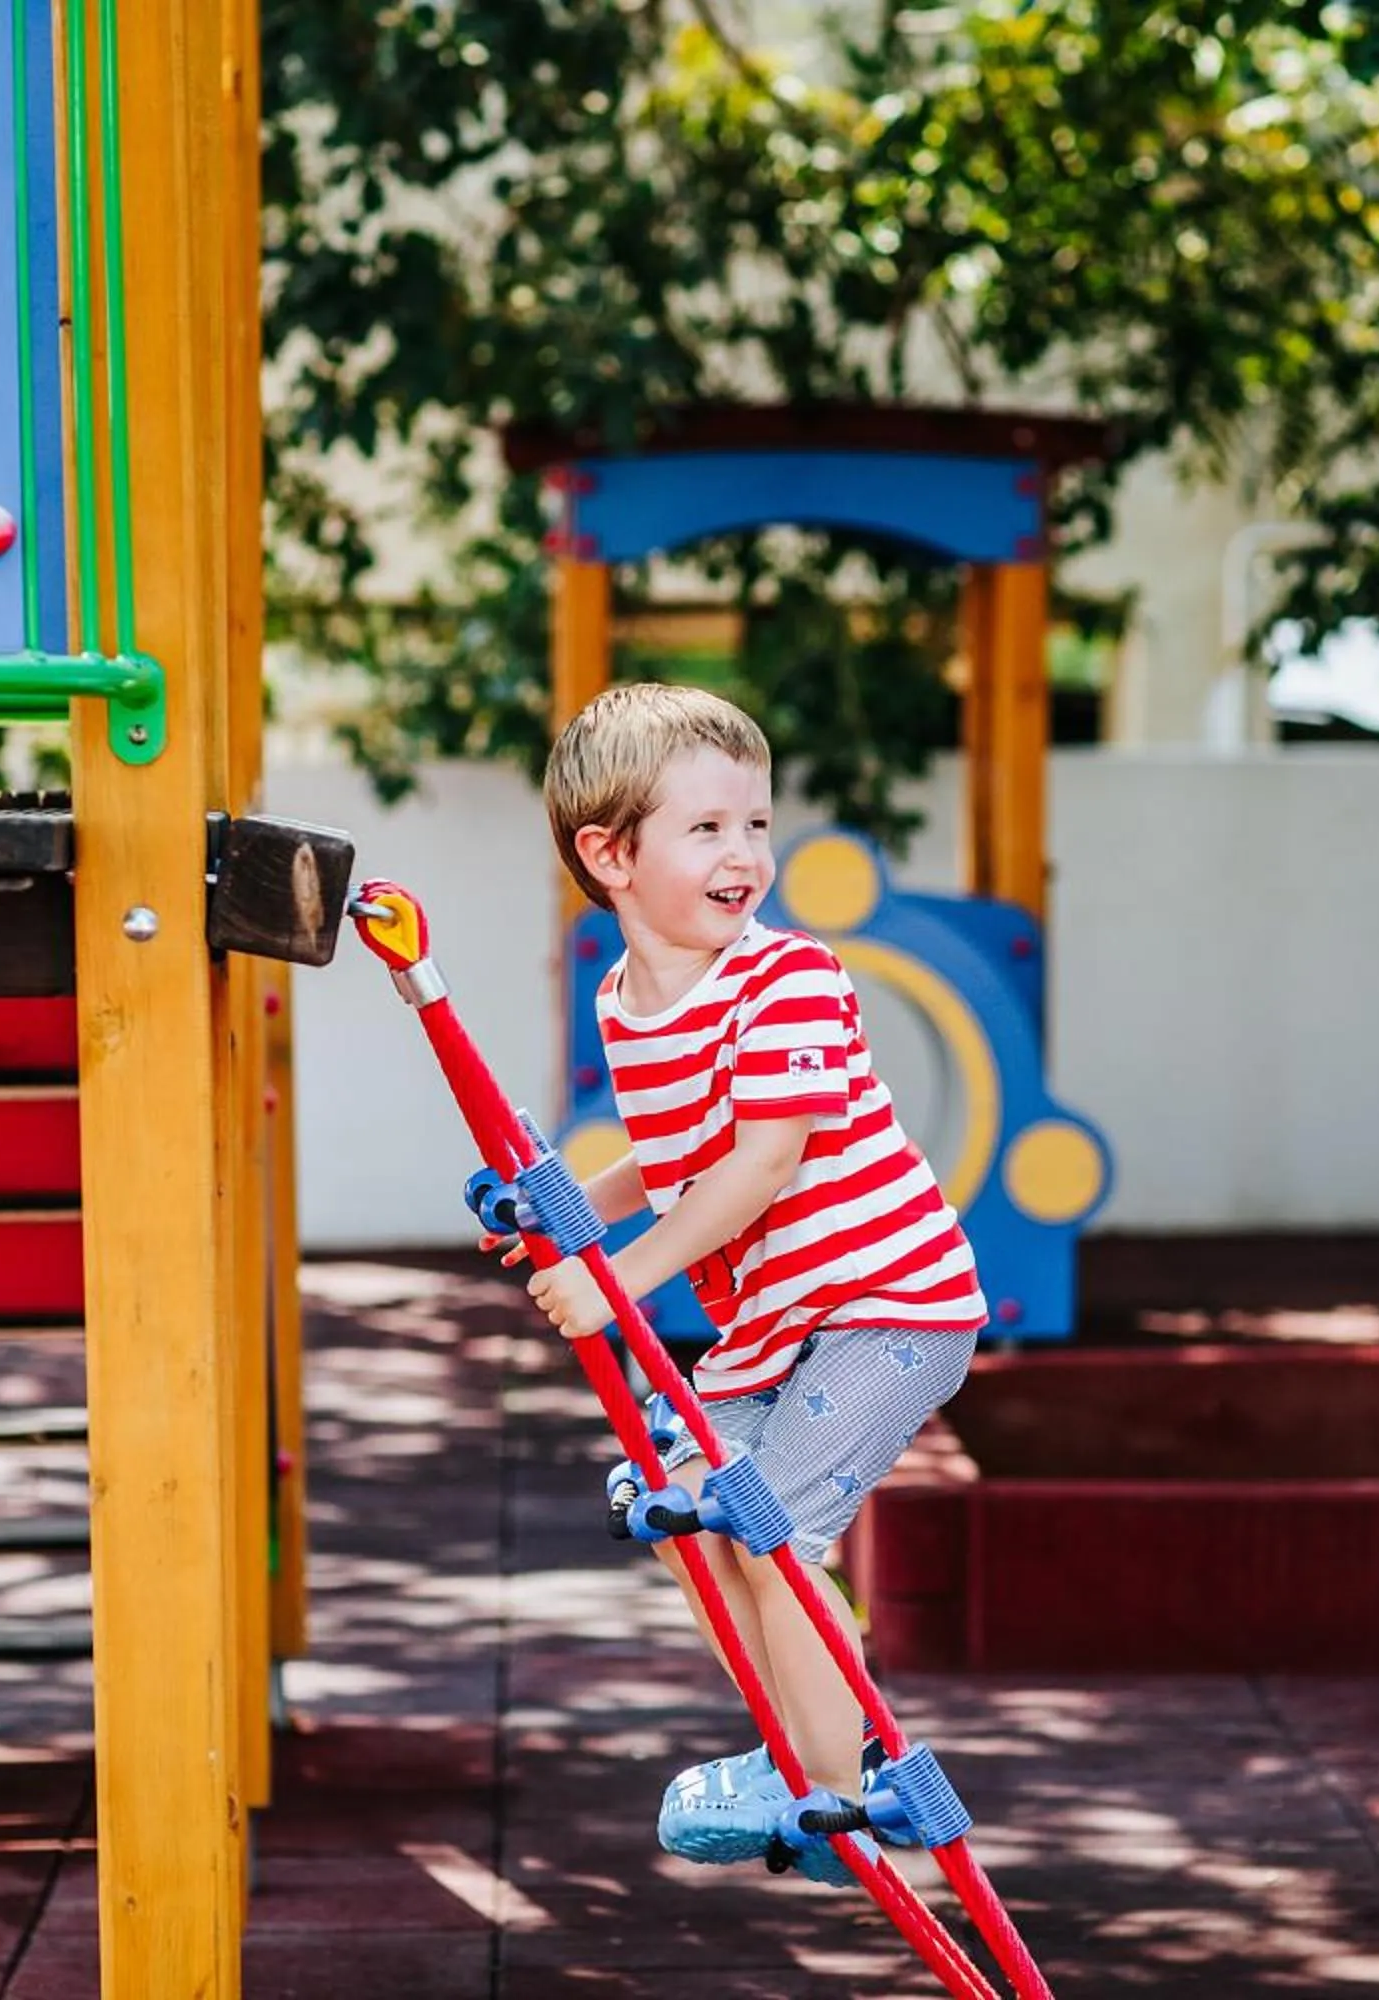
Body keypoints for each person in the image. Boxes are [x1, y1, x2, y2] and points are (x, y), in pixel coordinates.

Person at [491, 682, 985, 1886]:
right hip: (776, 1325)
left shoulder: (789, 982)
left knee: (771, 1529)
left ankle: (822, 1789)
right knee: (675, 1497)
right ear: (609, 855)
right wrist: (569, 1202)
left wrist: (622, 1278)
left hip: (889, 1305)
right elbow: (676, 1152)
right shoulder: (624, 1002)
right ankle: (809, 1752)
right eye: (707, 828)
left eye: (756, 824)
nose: (746, 853)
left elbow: (762, 1163)